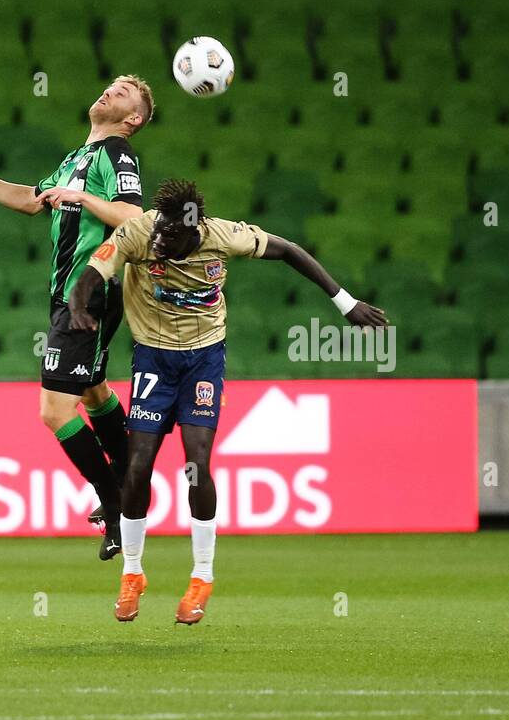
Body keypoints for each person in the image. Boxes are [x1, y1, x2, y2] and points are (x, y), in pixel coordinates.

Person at [65, 178, 387, 624]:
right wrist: (79, 305)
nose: (159, 241)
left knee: (197, 462)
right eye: (158, 230)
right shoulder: (139, 232)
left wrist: (346, 303)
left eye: (171, 236)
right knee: (138, 465)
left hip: (202, 362)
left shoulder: (226, 236)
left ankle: (202, 577)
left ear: (194, 230)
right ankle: (133, 573)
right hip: (153, 361)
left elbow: (290, 250)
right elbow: (92, 273)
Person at [0, 75, 154, 559]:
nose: (108, 92)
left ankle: (117, 502)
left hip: (91, 289)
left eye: (122, 94)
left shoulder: (119, 154)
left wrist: (84, 201)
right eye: (110, 86)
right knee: (94, 391)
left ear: (132, 119)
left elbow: (135, 219)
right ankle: (129, 479)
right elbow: (34, 200)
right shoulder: (77, 157)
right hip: (65, 293)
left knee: (54, 411)